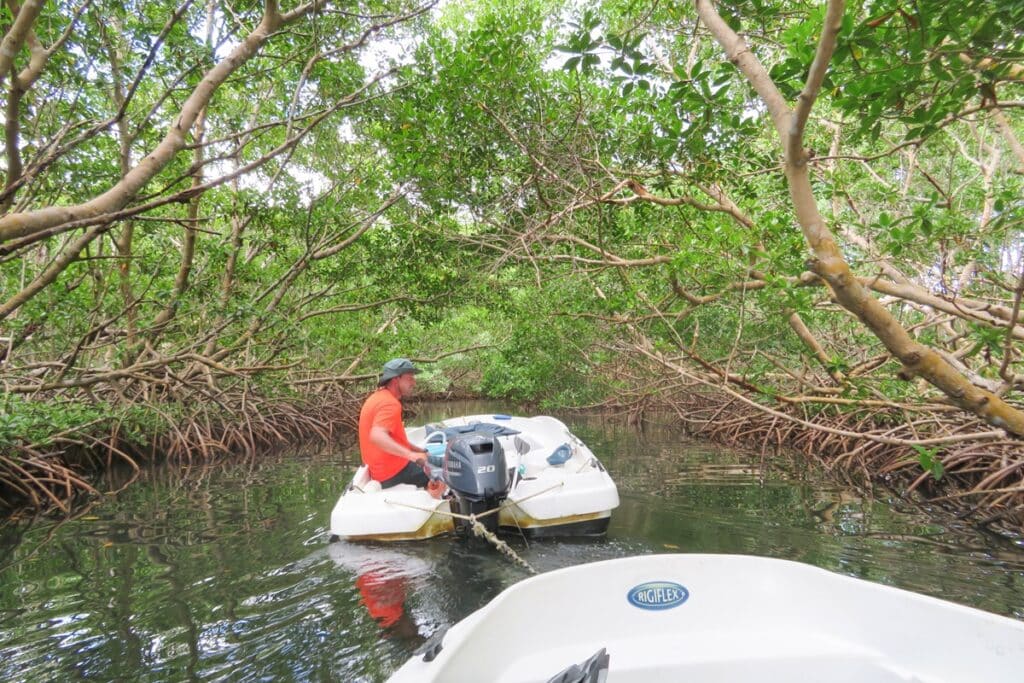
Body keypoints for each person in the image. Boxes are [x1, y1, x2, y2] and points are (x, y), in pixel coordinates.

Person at [359, 357, 442, 496]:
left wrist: (419, 450)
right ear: (396, 379)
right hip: (394, 473)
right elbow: (377, 435)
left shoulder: (376, 398)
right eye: (410, 378)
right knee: (448, 472)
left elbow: (395, 439)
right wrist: (411, 455)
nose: (414, 383)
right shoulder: (390, 404)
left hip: (382, 471)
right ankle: (434, 499)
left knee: (439, 460)